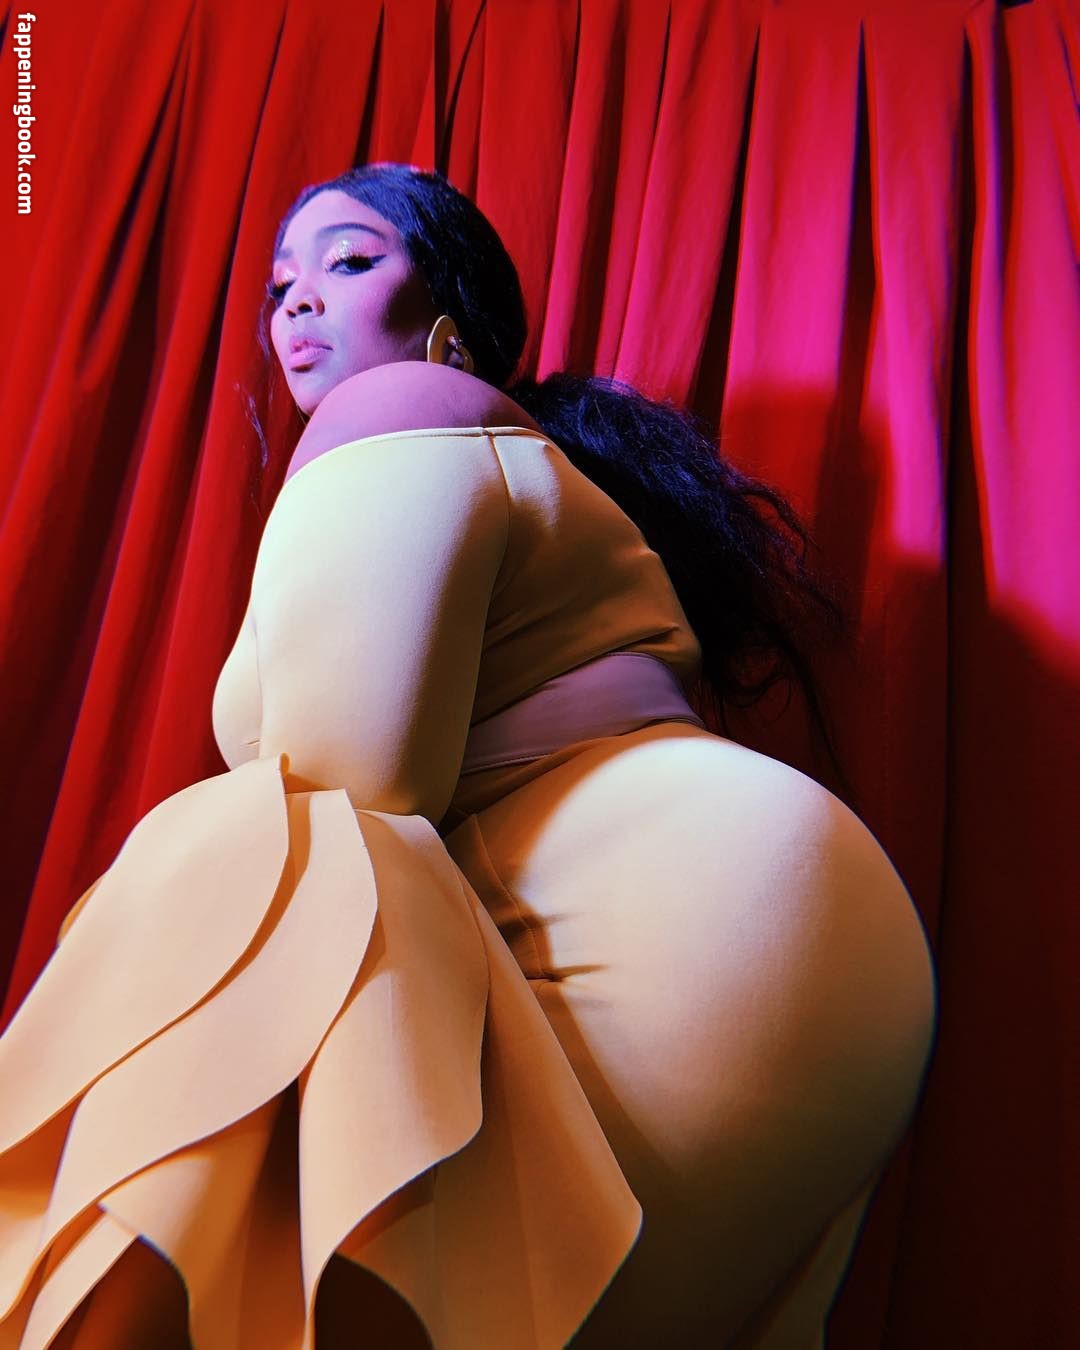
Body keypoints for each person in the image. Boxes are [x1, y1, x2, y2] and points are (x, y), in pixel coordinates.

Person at [0, 164, 936, 1349]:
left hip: (650, 947)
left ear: (451, 317)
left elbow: (350, 769)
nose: (297, 302)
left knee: (234, 841)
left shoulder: (400, 406)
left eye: (349, 261)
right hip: (784, 951)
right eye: (279, 286)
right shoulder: (508, 455)